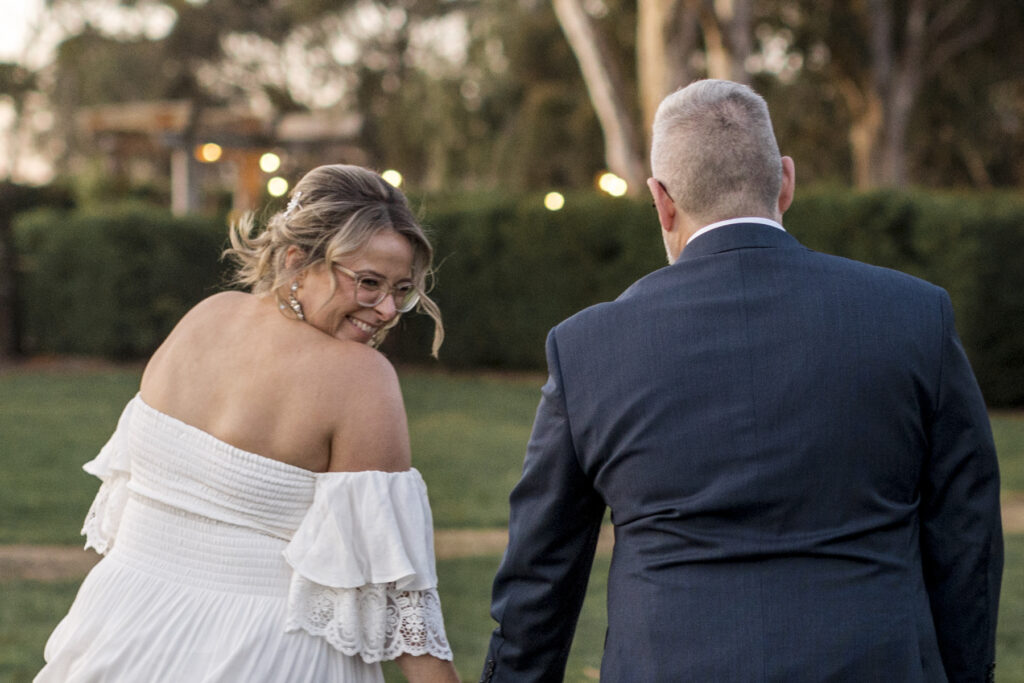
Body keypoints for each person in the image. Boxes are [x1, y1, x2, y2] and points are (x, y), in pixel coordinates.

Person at [480, 80, 1003, 682]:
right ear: (785, 181)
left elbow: (541, 573)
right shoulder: (913, 316)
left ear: (661, 201)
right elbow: (966, 535)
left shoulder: (587, 348)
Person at [36, 164, 460, 683]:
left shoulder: (206, 317)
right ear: (297, 260)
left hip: (121, 626)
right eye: (368, 283)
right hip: (266, 651)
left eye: (403, 290)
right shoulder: (361, 377)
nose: (388, 310)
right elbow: (398, 594)